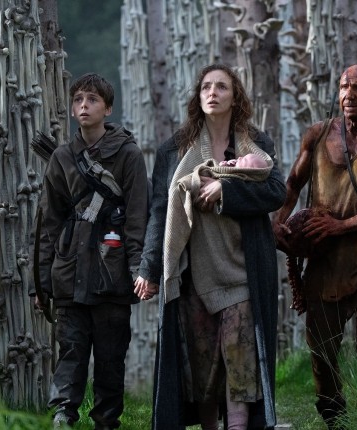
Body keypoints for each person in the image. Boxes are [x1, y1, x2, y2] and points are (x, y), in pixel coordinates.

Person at [134, 63, 286, 430]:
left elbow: (275, 192)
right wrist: (148, 268)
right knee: (202, 368)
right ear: (198, 97)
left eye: (221, 87)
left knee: (240, 358)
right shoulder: (174, 150)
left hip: (242, 271)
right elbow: (160, 211)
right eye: (206, 87)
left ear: (236, 97)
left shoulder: (256, 144)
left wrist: (226, 189)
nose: (212, 93)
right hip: (193, 275)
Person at [272, 64, 357, 428]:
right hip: (324, 259)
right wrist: (277, 224)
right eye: (344, 87)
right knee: (322, 348)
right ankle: (335, 416)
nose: (349, 94)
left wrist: (343, 225)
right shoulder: (318, 135)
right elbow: (292, 185)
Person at [31, 73, 148, 429]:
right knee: (70, 353)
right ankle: (62, 417)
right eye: (79, 99)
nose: (84, 106)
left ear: (108, 108)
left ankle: (106, 423)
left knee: (111, 360)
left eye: (93, 99)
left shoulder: (128, 155)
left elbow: (137, 217)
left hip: (113, 274)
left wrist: (139, 270)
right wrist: (41, 283)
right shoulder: (62, 157)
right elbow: (48, 223)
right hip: (69, 273)